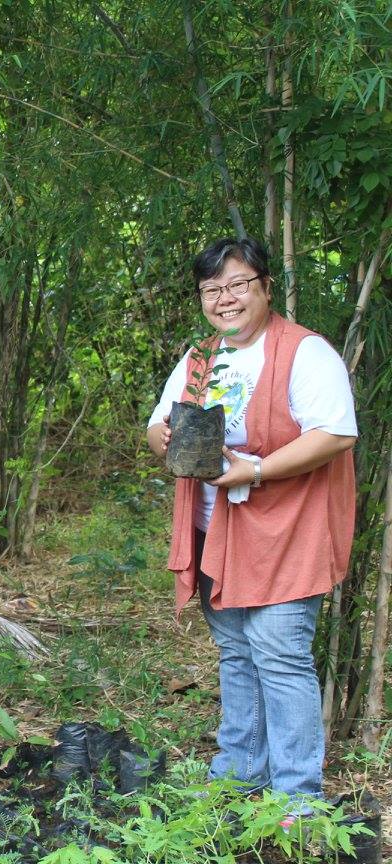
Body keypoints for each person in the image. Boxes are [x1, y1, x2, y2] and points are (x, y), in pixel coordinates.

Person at [146, 237, 357, 815]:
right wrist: (161, 439)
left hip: (285, 532)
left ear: (265, 287)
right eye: (212, 289)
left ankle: (297, 800)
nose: (226, 298)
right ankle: (239, 776)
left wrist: (256, 468)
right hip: (215, 530)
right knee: (236, 653)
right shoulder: (200, 358)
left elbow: (335, 433)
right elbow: (158, 424)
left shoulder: (305, 353)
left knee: (280, 654)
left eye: (239, 284)